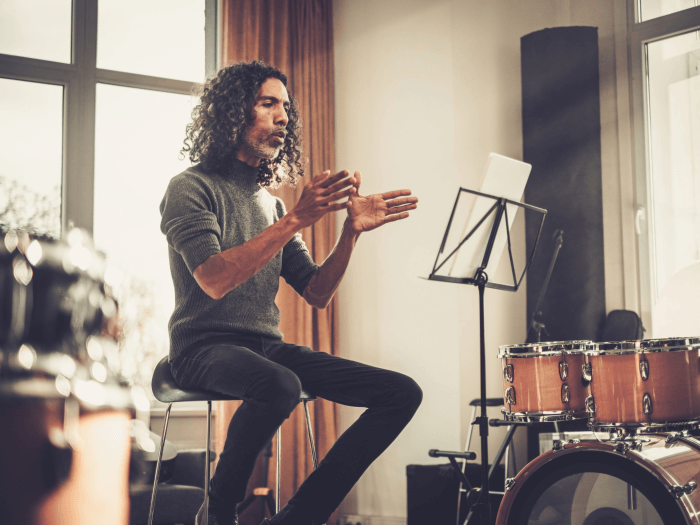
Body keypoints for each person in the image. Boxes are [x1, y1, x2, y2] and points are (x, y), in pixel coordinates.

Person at [160, 60, 423, 525]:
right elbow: (214, 279)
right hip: (201, 348)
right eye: (268, 104)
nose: (283, 116)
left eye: (286, 107)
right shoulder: (190, 188)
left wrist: (351, 234)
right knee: (279, 384)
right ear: (232, 112)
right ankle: (217, 516)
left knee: (400, 393)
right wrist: (296, 220)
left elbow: (317, 292)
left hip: (267, 348)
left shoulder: (272, 205)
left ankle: (297, 518)